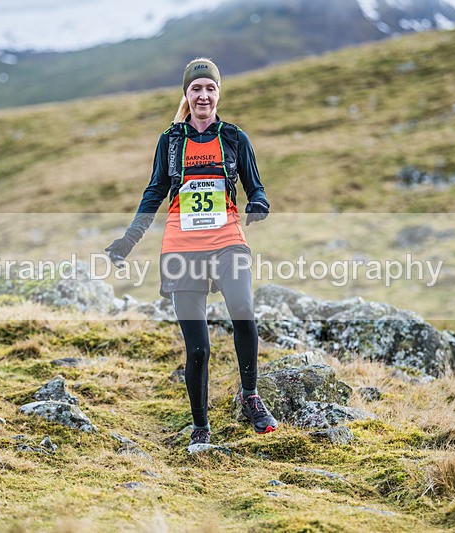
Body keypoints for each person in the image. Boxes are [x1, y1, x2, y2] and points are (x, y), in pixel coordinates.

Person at [105, 58, 277, 449]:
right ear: (186, 94)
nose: (203, 95)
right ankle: (201, 426)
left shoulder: (235, 138)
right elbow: (154, 192)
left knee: (244, 313)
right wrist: (129, 239)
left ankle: (249, 396)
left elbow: (256, 187)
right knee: (198, 347)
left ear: (218, 94)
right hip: (182, 246)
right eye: (196, 88)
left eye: (210, 88)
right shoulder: (171, 141)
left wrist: (260, 204)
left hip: (227, 239)